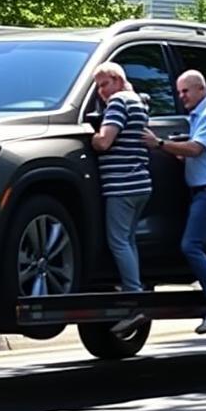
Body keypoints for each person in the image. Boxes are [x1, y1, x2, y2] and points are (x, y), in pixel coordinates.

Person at [142, 69, 206, 335]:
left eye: (185, 91)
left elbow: (196, 149)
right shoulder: (201, 114)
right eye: (179, 91)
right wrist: (179, 152)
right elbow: (200, 154)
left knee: (191, 245)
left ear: (200, 89)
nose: (180, 96)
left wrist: (159, 144)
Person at [89, 62, 153, 337]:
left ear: (116, 80)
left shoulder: (117, 103)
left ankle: (134, 300)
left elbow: (104, 142)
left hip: (122, 185)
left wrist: (91, 136)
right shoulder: (137, 102)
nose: (101, 92)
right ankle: (135, 290)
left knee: (118, 241)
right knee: (127, 240)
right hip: (140, 183)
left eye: (103, 84)